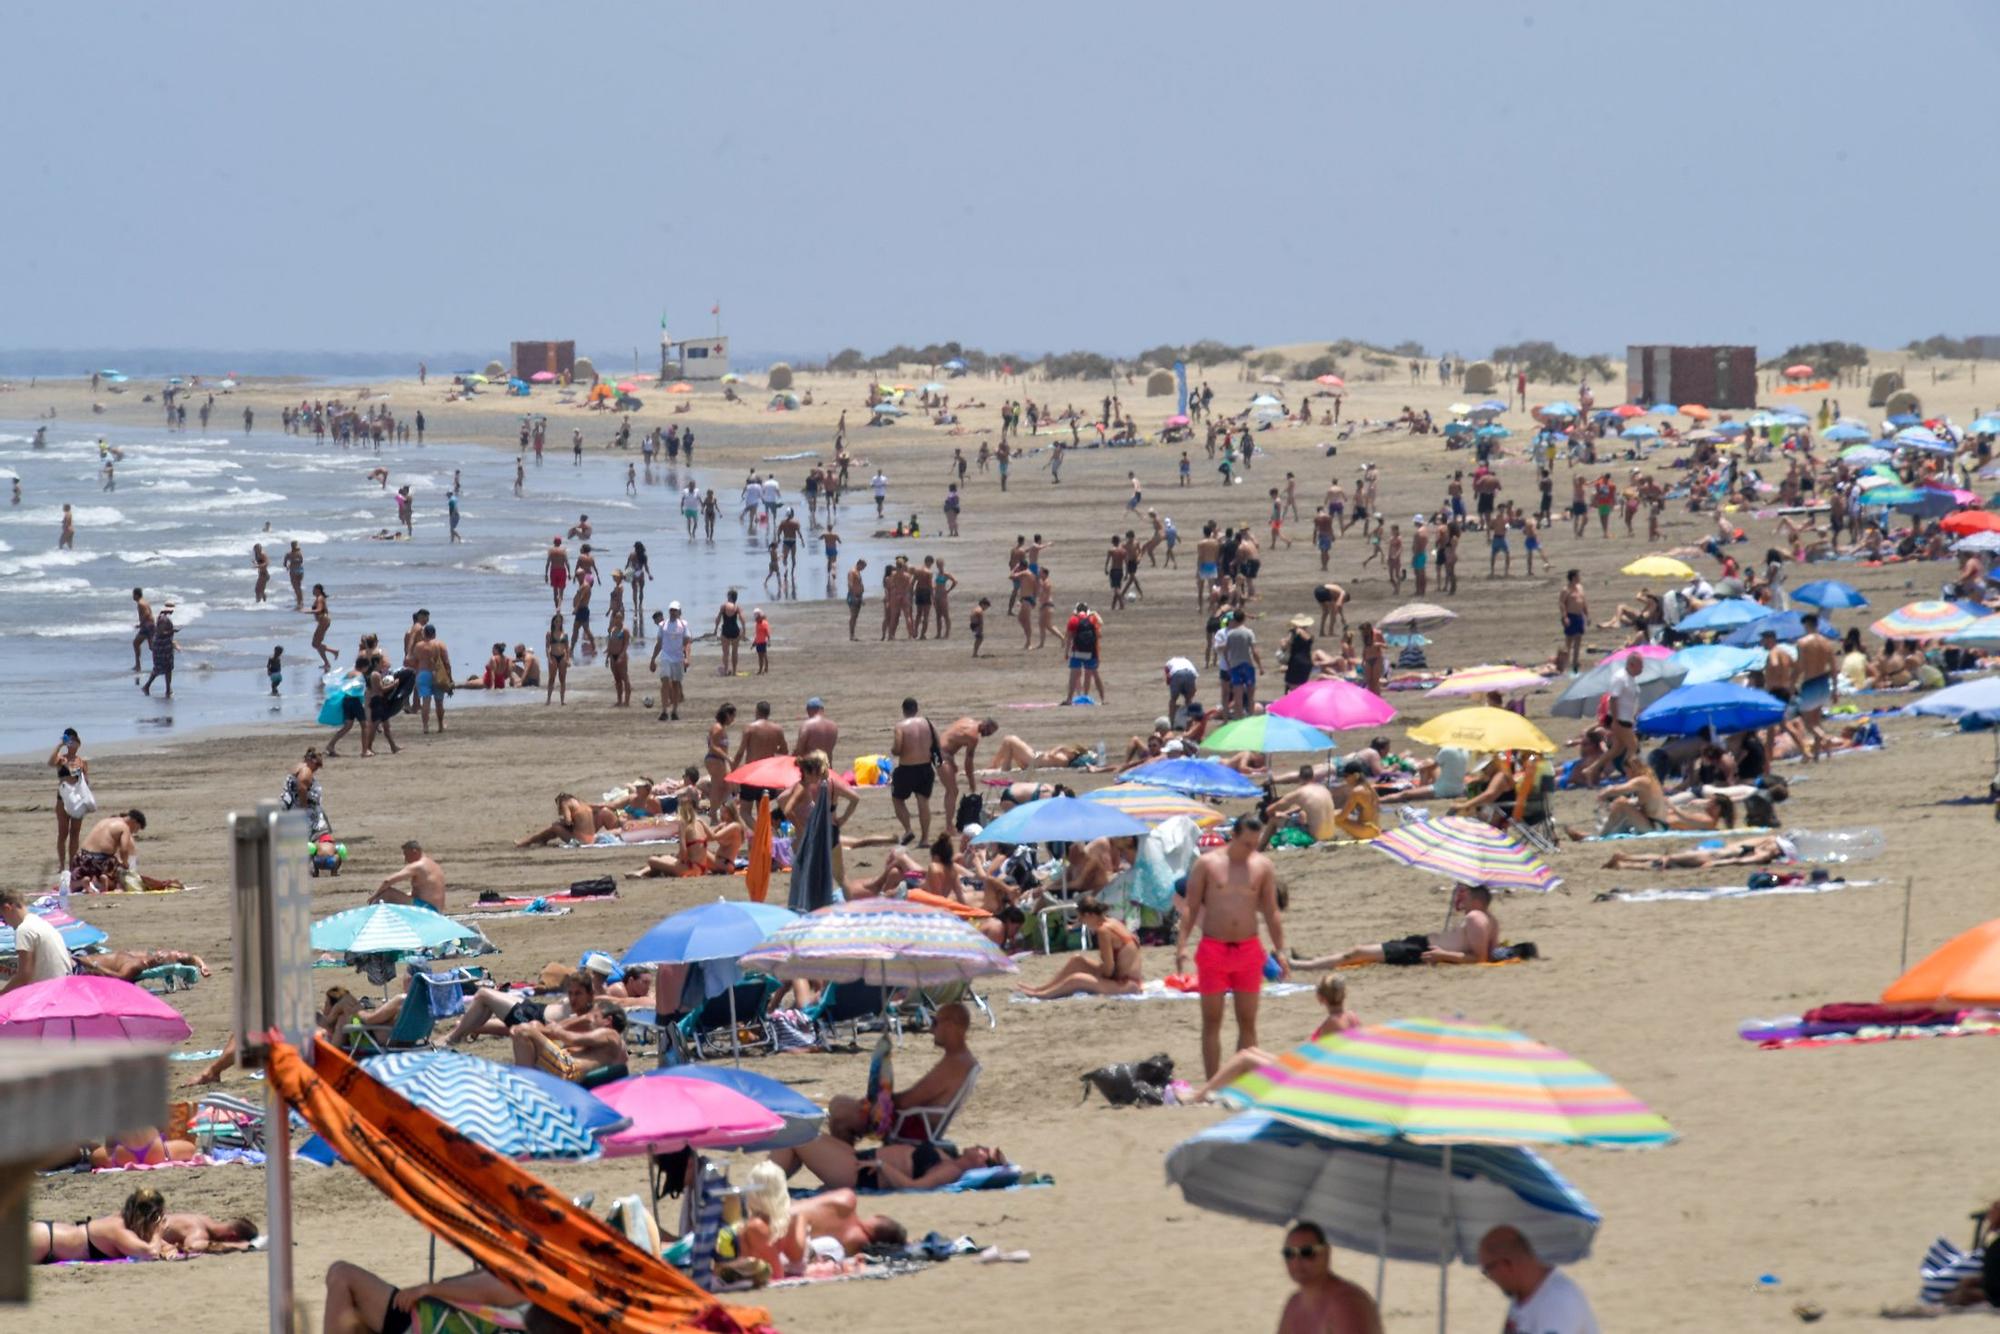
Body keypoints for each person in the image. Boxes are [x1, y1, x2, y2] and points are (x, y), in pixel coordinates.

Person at [1177, 814, 1289, 1080]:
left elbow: (1272, 911)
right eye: (1247, 843)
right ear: (1234, 835)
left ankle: (1242, 1082)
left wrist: (1280, 950)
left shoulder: (1262, 866)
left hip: (1249, 949)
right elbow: (1191, 907)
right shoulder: (1208, 864)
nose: (1252, 849)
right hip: (1214, 948)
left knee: (1247, 1021)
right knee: (1212, 1021)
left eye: (1255, 843)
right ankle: (1213, 1083)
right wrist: (1181, 945)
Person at [1192, 974, 1357, 1101]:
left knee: (1244, 1058)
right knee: (1251, 1051)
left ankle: (1199, 1097)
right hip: (1309, 1073)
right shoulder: (1351, 1018)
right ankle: (1212, 1091)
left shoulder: (1333, 1024)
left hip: (1306, 1081)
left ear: (1321, 998)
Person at [1293, 884, 1498, 968]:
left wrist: (1442, 955)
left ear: (1477, 899)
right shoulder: (1490, 919)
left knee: (1357, 952)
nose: (1462, 899)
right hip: (1422, 944)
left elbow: (1480, 959)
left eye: (1466, 895)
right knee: (1364, 951)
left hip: (1423, 951)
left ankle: (1304, 965)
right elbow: (1490, 952)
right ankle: (1314, 961)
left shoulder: (1475, 918)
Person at [320, 1262, 553, 1334]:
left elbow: (490, 1290)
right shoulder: (547, 1283)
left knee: (342, 1276)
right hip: (437, 1319)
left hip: (428, 1323)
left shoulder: (537, 1281)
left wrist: (428, 1289)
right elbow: (486, 1283)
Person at [1476, 1226, 1601, 1333]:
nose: (1490, 1278)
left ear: (1507, 1265)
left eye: (1487, 1271)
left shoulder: (1558, 1301)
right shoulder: (1522, 1297)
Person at [1013, 897, 1142, 998]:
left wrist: (1095, 976)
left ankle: (1042, 994)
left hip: (1126, 985)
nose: (1082, 922)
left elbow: (1109, 969)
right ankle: (1041, 988)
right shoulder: (1113, 922)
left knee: (1077, 978)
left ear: (1090, 915)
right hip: (1126, 980)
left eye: (1082, 919)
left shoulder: (1103, 931)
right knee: (1077, 960)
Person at [1276, 1221, 1382, 1334]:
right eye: (1289, 1253)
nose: (1296, 1261)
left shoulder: (1346, 1303)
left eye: (1307, 1252)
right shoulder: (1293, 1304)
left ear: (1326, 1252)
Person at [28, 1187, 180, 1264]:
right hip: (45, 1240)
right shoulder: (119, 1229)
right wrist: (158, 1233)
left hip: (46, 1237)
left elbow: (155, 1245)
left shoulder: (125, 1221)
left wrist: (166, 1246)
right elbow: (150, 1252)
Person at [511, 999, 628, 1082]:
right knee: (533, 1025)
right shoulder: (603, 1041)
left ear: (608, 1021)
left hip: (569, 1070)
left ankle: (523, 1085)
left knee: (524, 1031)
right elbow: (555, 1033)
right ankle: (526, 1080)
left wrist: (557, 1029)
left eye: (595, 1017)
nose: (590, 1020)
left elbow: (573, 1039)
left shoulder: (611, 1034)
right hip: (566, 1065)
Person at [890, 696, 939, 846]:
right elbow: (937, 742)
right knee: (923, 801)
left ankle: (908, 829)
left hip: (907, 768)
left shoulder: (900, 726)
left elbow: (898, 749)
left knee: (897, 799)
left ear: (904, 711)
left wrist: (893, 750)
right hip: (925, 767)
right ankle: (924, 839)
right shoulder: (928, 723)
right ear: (917, 709)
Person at [0, 890, 71, 992]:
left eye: (3, 917)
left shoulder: (24, 930)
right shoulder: (40, 922)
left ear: (7, 908)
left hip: (47, 992)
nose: (6, 922)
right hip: (63, 985)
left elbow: (24, 977)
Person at [71, 808, 144, 892]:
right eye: (136, 829)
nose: (134, 832)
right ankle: (106, 881)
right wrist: (125, 863)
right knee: (118, 877)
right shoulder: (125, 827)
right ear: (134, 822)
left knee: (73, 885)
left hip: (82, 856)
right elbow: (124, 850)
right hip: (101, 860)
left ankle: (82, 882)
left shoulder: (105, 820)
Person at [50, 726, 90, 869]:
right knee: (63, 833)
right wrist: (60, 745)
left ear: (78, 743)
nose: (72, 744)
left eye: (75, 741)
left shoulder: (82, 761)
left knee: (75, 833)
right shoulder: (61, 759)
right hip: (63, 799)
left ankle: (72, 865)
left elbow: (87, 782)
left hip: (78, 800)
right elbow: (50, 763)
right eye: (69, 741)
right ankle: (62, 865)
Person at [368, 839, 446, 912]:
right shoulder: (433, 864)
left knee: (388, 893)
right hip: (436, 908)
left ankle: (370, 914)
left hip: (427, 908)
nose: (405, 859)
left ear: (414, 852)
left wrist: (374, 896)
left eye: (406, 854)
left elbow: (388, 881)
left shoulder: (418, 866)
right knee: (406, 894)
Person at [649, 601, 691, 721]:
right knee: (665, 681)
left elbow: (687, 642)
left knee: (676, 683)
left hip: (678, 658)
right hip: (666, 657)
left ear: (678, 611)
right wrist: (653, 659)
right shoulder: (663, 625)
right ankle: (663, 711)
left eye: (675, 610)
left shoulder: (683, 625)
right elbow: (659, 643)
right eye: (671, 610)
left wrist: (687, 657)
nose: (673, 612)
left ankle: (675, 711)